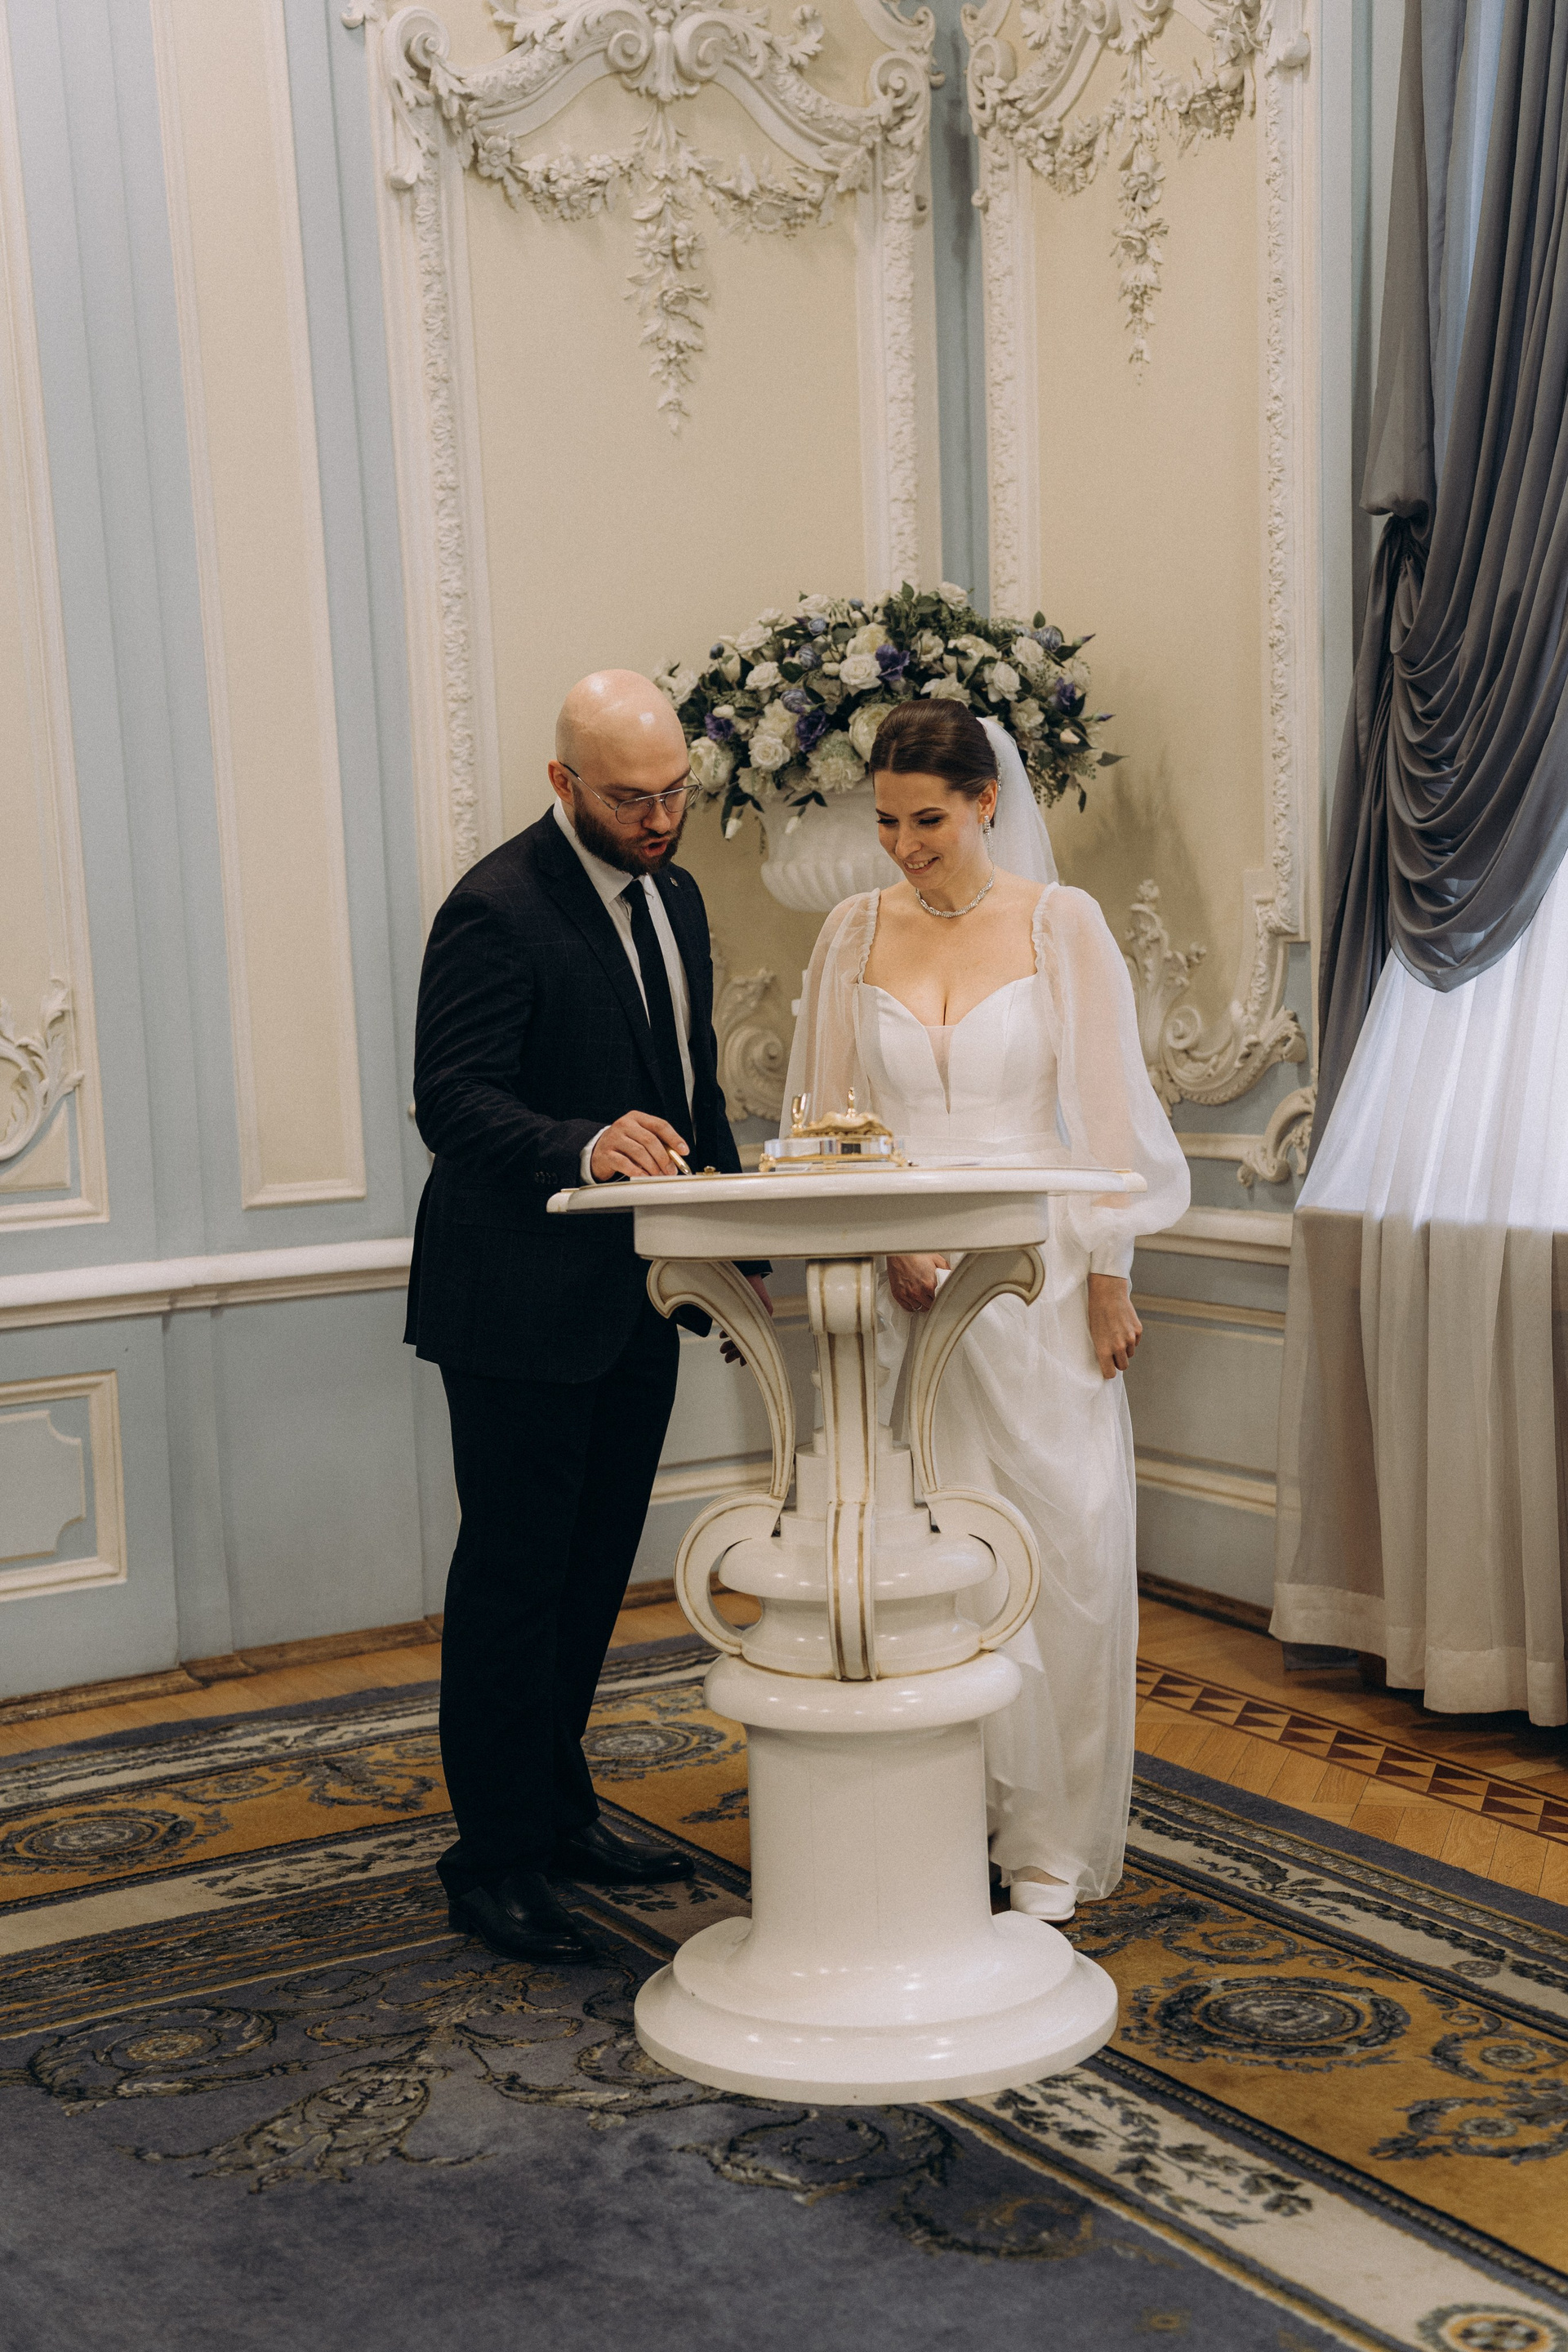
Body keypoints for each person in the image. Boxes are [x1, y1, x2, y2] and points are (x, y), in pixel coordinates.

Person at [785, 702, 1188, 1918]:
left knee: (1062, 1541)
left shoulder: (1063, 923)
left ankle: (1049, 1838)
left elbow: (1107, 1117)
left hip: (1039, 1275)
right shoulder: (850, 933)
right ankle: (939, 1816)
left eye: (929, 820)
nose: (905, 846)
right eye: (886, 822)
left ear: (986, 803)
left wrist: (1109, 1272)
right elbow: (821, 1122)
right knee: (927, 1548)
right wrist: (888, 1233)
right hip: (904, 1284)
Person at [407, 669, 769, 1962]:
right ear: (564, 783)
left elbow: (692, 1084)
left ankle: (557, 1813)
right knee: (514, 1586)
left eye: (676, 793)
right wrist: (583, 1143)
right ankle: (493, 1860)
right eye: (630, 799)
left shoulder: (678, 895)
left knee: (589, 1578)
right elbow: (451, 1098)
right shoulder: (496, 907)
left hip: (637, 1299)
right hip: (514, 1304)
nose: (660, 819)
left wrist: (740, 1244)